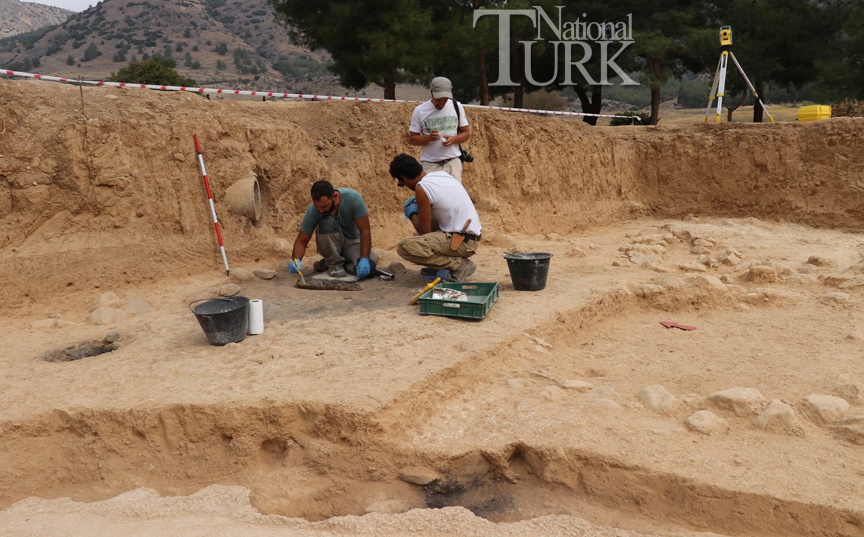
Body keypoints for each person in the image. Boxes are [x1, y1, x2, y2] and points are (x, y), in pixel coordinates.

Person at [389, 153, 481, 282]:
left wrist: (412, 214)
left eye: (401, 183)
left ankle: (458, 265)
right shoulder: (441, 175)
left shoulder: (422, 188)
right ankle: (442, 265)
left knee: (405, 247)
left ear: (404, 178)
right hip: (470, 237)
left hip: (462, 242)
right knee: (429, 219)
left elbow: (424, 232)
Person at [288, 180, 376, 279]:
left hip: (353, 243)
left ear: (334, 196)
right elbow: (301, 241)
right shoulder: (313, 210)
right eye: (317, 207)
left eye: (324, 206)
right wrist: (296, 261)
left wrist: (364, 259)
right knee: (327, 222)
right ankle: (334, 265)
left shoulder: (353, 198)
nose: (321, 210)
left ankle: (328, 264)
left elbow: (365, 231)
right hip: (331, 245)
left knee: (370, 269)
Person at [408, 76, 470, 182]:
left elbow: (466, 133)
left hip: (452, 163)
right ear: (431, 93)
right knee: (431, 197)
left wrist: (453, 139)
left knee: (452, 197)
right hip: (429, 165)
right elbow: (412, 139)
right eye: (438, 100)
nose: (441, 104)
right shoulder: (420, 111)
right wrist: (429, 138)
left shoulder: (457, 106)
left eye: (445, 100)